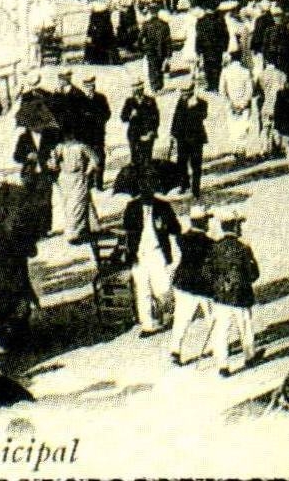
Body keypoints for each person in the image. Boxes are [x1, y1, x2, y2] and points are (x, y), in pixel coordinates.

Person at [0, 170, 46, 352]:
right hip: (18, 256)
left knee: (1, 296)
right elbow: (33, 225)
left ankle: (5, 335)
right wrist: (29, 247)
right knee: (21, 290)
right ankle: (22, 333)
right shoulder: (21, 196)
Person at [206, 211, 260, 377]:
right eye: (239, 225)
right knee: (245, 328)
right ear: (235, 226)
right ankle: (249, 357)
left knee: (221, 332)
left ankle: (223, 365)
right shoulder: (243, 248)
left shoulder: (214, 248)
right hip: (241, 297)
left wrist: (217, 286)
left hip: (221, 298)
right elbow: (254, 274)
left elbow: (207, 272)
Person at [123, 184, 180, 337]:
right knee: (143, 291)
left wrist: (166, 225)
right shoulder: (132, 208)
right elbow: (127, 230)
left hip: (157, 253)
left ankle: (167, 315)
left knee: (163, 289)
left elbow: (176, 228)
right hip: (139, 255)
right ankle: (148, 324)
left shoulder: (163, 206)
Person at [169, 205, 216, 365]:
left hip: (182, 283)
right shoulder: (210, 243)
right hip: (203, 286)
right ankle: (218, 347)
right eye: (206, 221)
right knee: (212, 317)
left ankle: (175, 351)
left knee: (181, 318)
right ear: (202, 222)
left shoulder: (182, 239)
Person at [54, 134, 99, 243]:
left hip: (78, 177)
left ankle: (76, 232)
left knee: (77, 204)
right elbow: (53, 164)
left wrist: (87, 172)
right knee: (70, 205)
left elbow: (95, 160)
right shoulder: (60, 148)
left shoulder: (81, 147)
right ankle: (85, 228)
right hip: (65, 179)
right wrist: (54, 161)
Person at [121, 77, 161, 191]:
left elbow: (156, 118)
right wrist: (130, 115)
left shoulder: (150, 101)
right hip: (134, 136)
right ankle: (136, 185)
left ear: (142, 88)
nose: (137, 90)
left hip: (148, 135)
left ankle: (148, 184)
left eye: (139, 88)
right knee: (135, 160)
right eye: (135, 88)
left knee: (147, 160)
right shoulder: (129, 102)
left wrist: (151, 132)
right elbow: (123, 117)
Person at [171, 79, 210, 197]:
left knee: (196, 165)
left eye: (186, 92)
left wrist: (194, 107)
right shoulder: (180, 102)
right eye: (182, 92)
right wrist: (172, 134)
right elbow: (176, 118)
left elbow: (202, 116)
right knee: (181, 163)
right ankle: (184, 185)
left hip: (195, 140)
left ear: (191, 92)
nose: (183, 95)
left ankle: (196, 188)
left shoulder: (201, 103)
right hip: (181, 138)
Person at [218, 56, 258, 159]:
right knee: (244, 127)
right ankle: (242, 150)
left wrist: (229, 102)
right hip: (244, 105)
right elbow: (250, 90)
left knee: (233, 127)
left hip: (231, 105)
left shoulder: (225, 72)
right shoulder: (246, 72)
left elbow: (222, 90)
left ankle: (236, 149)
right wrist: (243, 102)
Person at [196, 1, 233, 94]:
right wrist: (225, 47)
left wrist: (198, 50)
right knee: (217, 66)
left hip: (206, 48)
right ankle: (217, 85)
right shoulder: (220, 19)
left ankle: (210, 85)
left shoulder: (201, 21)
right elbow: (226, 35)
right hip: (217, 48)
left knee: (208, 66)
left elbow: (199, 37)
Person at [140, 9, 173, 91]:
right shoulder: (165, 25)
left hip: (150, 50)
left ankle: (154, 85)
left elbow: (140, 38)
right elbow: (168, 42)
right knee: (159, 67)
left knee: (152, 67)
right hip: (161, 50)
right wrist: (169, 54)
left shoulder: (146, 24)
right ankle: (159, 85)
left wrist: (142, 48)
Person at [83, 0, 116, 65]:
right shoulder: (105, 11)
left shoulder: (96, 12)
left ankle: (91, 59)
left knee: (94, 42)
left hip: (98, 25)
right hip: (102, 24)